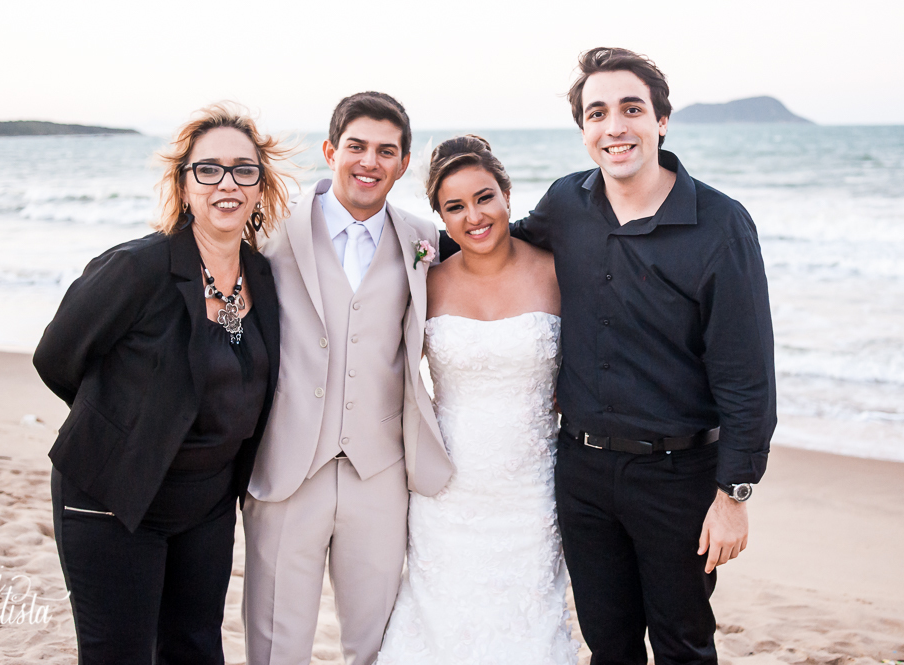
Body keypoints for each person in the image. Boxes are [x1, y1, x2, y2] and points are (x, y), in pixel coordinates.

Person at [510, 48, 777, 665]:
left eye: (631, 109)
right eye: (597, 113)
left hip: (678, 479)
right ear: (583, 131)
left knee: (683, 644)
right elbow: (494, 246)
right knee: (608, 644)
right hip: (580, 471)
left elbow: (747, 378)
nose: (614, 127)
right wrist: (401, 243)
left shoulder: (721, 225)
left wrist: (734, 496)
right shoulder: (566, 204)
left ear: (661, 120)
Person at [33, 102, 292, 664]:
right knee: (119, 654)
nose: (228, 183)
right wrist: (131, 424)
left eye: (244, 170)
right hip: (114, 496)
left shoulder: (265, 277)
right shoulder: (135, 269)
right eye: (209, 169)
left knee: (196, 649)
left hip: (208, 504)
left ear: (260, 185)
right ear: (185, 182)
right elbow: (55, 357)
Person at [241, 91, 454, 665]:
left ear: (404, 163)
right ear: (332, 150)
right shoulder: (271, 235)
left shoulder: (425, 242)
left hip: (379, 472)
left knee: (377, 644)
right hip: (287, 470)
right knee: (274, 644)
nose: (369, 162)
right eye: (356, 146)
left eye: (387, 151)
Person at [376, 136, 578, 664]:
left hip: (531, 494)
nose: (474, 216)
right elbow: (383, 371)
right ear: (440, 218)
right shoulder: (427, 284)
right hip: (445, 490)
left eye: (484, 197)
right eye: (455, 207)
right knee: (440, 623)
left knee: (527, 627)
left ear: (508, 194)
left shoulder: (558, 273)